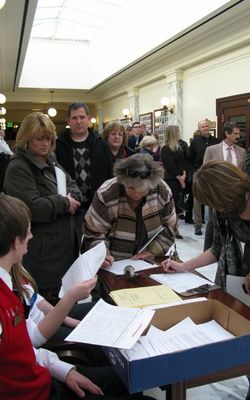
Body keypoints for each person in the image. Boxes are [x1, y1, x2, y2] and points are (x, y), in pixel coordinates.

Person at [161, 160, 250, 400]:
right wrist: (183, 266)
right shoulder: (224, 207)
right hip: (247, 279)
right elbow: (217, 248)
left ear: (224, 188)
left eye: (212, 199)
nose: (211, 206)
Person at [0, 193, 155, 400]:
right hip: (38, 389)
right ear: (14, 243)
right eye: (28, 232)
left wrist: (65, 370)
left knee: (126, 377)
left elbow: (23, 350)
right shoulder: (5, 299)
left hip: (43, 377)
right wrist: (69, 300)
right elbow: (29, 342)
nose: (32, 236)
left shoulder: (9, 284)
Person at [4, 112, 82, 300]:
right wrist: (65, 202)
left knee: (65, 301)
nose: (45, 144)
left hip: (62, 248)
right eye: (39, 139)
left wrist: (70, 198)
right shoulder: (19, 167)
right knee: (47, 306)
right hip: (42, 255)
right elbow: (31, 208)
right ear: (26, 138)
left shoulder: (49, 158)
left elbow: (73, 186)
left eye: (48, 139)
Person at [83, 154, 176, 266]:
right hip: (114, 264)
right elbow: (94, 232)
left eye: (143, 190)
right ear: (122, 180)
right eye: (131, 188)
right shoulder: (106, 194)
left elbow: (170, 227)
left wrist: (153, 251)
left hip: (150, 262)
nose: (136, 194)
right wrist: (102, 255)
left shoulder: (162, 190)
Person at [55, 103, 113, 242]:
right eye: (74, 118)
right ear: (68, 121)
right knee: (71, 244)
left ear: (89, 119)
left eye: (82, 117)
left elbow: (110, 174)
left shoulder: (101, 144)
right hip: (69, 206)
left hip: (97, 205)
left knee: (95, 243)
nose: (79, 121)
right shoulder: (58, 145)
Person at [202, 121, 246, 250]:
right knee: (213, 221)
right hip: (216, 191)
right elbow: (205, 172)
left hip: (234, 193)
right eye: (235, 133)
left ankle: (231, 247)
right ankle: (208, 249)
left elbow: (243, 172)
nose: (238, 136)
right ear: (227, 133)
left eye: (239, 133)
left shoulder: (242, 151)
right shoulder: (211, 150)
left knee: (233, 220)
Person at [188, 119, 219, 235]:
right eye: (203, 127)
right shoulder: (195, 142)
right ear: (199, 129)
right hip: (199, 172)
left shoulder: (216, 141)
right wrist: (192, 171)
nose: (205, 128)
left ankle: (212, 223)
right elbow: (189, 158)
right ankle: (197, 224)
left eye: (207, 126)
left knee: (212, 198)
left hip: (212, 173)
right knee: (198, 199)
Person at [160, 125, 186, 239]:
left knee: (178, 206)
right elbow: (171, 166)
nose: (179, 133)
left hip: (180, 179)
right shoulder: (165, 148)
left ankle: (176, 228)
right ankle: (171, 229)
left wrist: (184, 174)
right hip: (171, 180)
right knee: (173, 206)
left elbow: (183, 162)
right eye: (178, 131)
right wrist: (180, 179)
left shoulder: (178, 147)